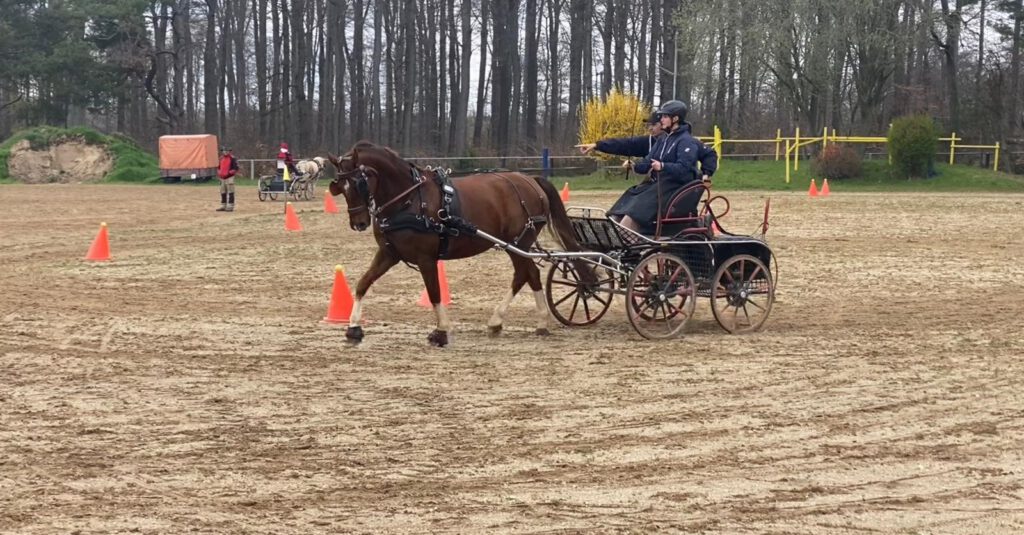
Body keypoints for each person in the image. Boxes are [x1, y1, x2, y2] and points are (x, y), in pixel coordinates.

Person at [606, 100, 717, 234]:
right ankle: (615, 233)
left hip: (672, 187)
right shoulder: (663, 140)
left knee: (634, 213)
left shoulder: (686, 141)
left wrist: (663, 166)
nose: (661, 119)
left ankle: (629, 240)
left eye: (665, 116)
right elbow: (648, 161)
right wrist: (634, 166)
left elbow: (684, 169)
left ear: (675, 118)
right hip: (657, 185)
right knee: (625, 203)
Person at [575, 111, 666, 159]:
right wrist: (597, 145)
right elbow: (623, 144)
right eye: (648, 125)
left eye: (654, 125)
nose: (650, 128)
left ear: (664, 124)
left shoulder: (675, 140)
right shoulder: (648, 142)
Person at [216, 146, 239, 212]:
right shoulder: (221, 158)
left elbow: (236, 168)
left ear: (229, 151)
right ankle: (223, 206)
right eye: (224, 150)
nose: (225, 152)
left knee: (231, 192)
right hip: (222, 178)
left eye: (227, 151)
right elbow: (218, 167)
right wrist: (219, 173)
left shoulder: (232, 158)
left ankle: (230, 206)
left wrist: (229, 173)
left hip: (229, 177)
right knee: (223, 192)